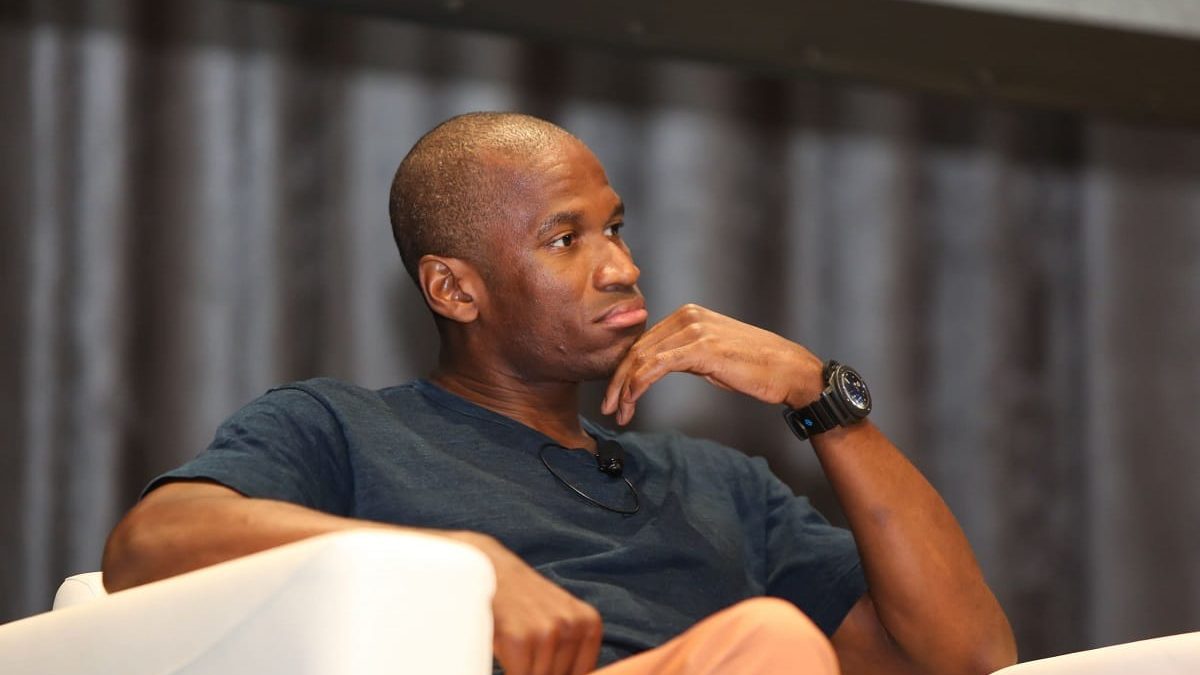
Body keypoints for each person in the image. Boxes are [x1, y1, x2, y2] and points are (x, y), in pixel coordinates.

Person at [103, 112, 1017, 675]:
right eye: (565, 239)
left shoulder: (720, 483)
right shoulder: (344, 427)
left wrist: (822, 400)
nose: (622, 266)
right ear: (455, 289)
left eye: (616, 227)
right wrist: (466, 564)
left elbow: (969, 656)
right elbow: (150, 541)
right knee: (770, 643)